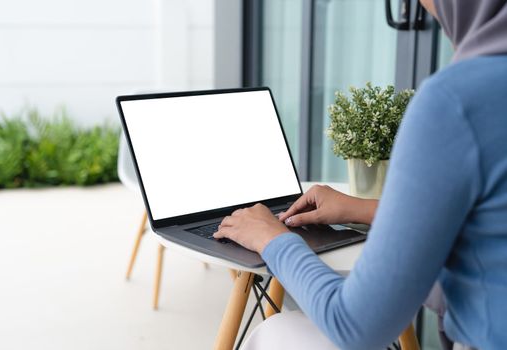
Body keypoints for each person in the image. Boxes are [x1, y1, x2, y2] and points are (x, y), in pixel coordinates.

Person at [214, 0, 507, 349]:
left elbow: (355, 327)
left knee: (277, 332)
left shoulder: (457, 101)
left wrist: (272, 239)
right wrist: (361, 209)